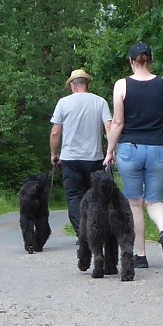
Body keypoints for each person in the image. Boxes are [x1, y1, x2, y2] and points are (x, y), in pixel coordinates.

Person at [103, 43, 163, 269]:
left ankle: (140, 255)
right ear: (150, 60)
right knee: (154, 200)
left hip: (130, 149)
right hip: (158, 148)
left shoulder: (122, 85)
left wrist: (109, 151)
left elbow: (118, 122)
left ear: (131, 61)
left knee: (134, 202)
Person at [50, 69, 112, 240]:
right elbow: (109, 126)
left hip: (70, 158)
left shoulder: (63, 103)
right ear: (87, 84)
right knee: (95, 196)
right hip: (94, 158)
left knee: (74, 196)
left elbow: (55, 132)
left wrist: (54, 153)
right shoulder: (100, 101)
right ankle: (96, 231)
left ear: (72, 85)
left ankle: (82, 233)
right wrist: (111, 151)